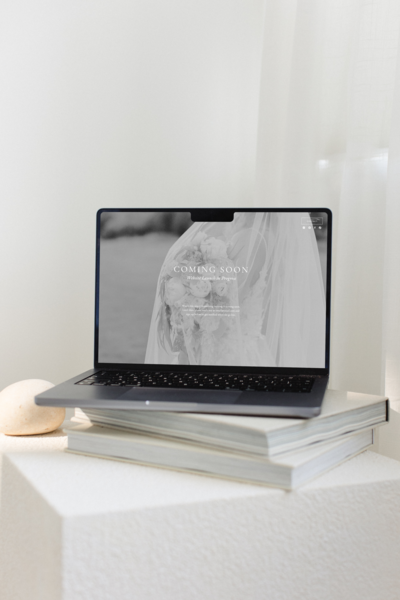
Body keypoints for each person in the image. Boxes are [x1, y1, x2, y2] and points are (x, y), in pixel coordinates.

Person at [145, 212, 325, 368]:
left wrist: (186, 298)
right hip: (241, 344)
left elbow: (226, 309)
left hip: (227, 353)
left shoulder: (251, 239)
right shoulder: (263, 237)